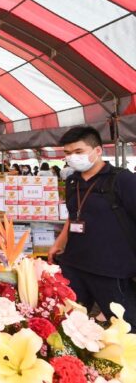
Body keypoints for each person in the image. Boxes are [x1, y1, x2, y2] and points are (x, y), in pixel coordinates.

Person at [49, 126, 136, 328]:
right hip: (73, 265)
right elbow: (73, 216)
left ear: (97, 150)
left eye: (78, 151)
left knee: (125, 327)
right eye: (68, 153)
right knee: (68, 324)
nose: (72, 157)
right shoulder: (72, 181)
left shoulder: (122, 179)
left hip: (111, 269)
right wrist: (59, 243)